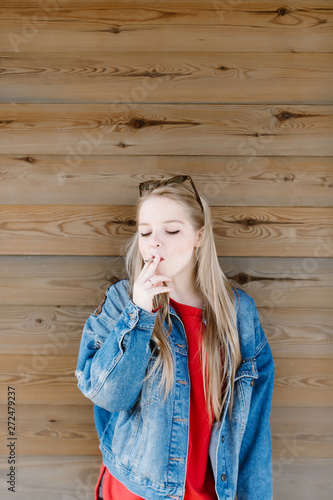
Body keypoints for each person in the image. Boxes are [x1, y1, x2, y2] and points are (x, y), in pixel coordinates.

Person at [75, 175, 275, 500]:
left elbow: (253, 429)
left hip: (211, 491)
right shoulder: (120, 301)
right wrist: (139, 314)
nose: (155, 242)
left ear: (200, 236)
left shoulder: (239, 313)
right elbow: (110, 396)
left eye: (171, 231)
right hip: (135, 489)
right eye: (145, 232)